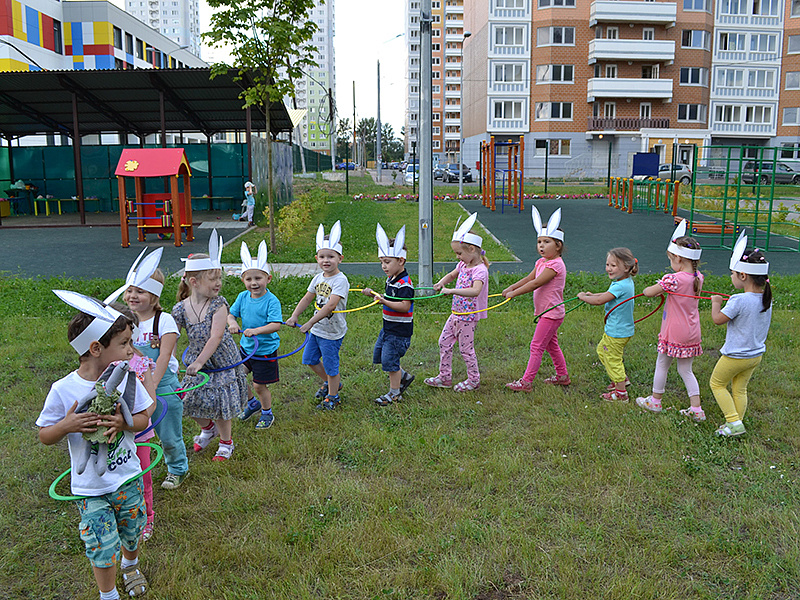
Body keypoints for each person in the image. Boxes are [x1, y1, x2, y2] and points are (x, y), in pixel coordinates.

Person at [38, 291, 155, 599]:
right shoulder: (63, 389)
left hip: (126, 477)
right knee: (100, 544)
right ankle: (108, 594)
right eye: (124, 344)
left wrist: (123, 423)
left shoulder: (129, 379)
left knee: (131, 532)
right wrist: (66, 425)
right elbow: (45, 435)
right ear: (95, 348)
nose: (131, 350)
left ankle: (131, 564)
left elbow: (144, 417)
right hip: (89, 488)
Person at [112, 249, 189, 491]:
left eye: (140, 291)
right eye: (130, 290)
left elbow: (165, 355)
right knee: (136, 433)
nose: (132, 296)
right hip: (133, 387)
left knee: (168, 433)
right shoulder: (123, 321)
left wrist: (153, 386)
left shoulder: (163, 320)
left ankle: (177, 468)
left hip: (162, 385)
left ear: (154, 296)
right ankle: (135, 469)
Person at [172, 230, 248, 461]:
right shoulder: (180, 308)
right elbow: (172, 337)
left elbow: (215, 337)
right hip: (196, 360)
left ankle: (226, 443)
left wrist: (199, 362)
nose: (219, 283)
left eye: (219, 278)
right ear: (194, 282)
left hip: (219, 359)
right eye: (213, 279)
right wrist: (171, 361)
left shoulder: (219, 304)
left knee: (221, 404)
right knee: (186, 399)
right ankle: (207, 429)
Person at [636, 220, 705, 420]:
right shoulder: (698, 277)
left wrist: (649, 289)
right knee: (685, 369)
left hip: (674, 330)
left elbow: (649, 292)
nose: (670, 264)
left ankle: (655, 400)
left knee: (662, 363)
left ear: (678, 258)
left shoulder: (673, 279)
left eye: (671, 259)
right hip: (692, 329)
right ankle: (696, 408)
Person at [709, 231, 772, 437]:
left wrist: (716, 304)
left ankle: (733, 422)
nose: (731, 276)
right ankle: (737, 422)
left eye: (732, 273)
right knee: (740, 389)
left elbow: (718, 320)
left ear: (743, 276)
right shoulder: (766, 299)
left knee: (717, 384)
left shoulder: (738, 300)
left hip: (735, 356)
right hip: (755, 356)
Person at [503, 206, 571, 391]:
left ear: (558, 245)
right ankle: (562, 375)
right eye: (539, 241)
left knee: (536, 346)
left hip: (551, 313)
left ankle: (526, 382)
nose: (541, 245)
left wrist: (514, 294)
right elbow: (528, 279)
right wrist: (512, 287)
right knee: (551, 345)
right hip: (545, 312)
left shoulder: (555, 265)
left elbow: (535, 284)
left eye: (546, 241)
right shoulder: (541, 262)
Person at [108, 303, 158, 543]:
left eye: (130, 341)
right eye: (122, 342)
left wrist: (130, 420)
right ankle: (116, 517)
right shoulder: (101, 369)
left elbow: (150, 404)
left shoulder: (140, 363)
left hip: (139, 434)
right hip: (112, 438)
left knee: (142, 477)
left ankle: (147, 517)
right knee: (116, 479)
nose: (128, 348)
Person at [286, 221, 349, 410]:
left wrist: (309, 323)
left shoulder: (341, 280)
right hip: (318, 329)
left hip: (332, 332)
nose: (326, 260)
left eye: (331, 256)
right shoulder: (318, 278)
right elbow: (307, 298)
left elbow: (330, 306)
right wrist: (295, 315)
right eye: (322, 257)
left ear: (340, 258)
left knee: (331, 366)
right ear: (316, 258)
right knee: (310, 359)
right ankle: (333, 384)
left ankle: (333, 396)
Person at [424, 212, 489, 392]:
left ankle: (473, 380)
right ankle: (444, 377)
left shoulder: (480, 270)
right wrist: (442, 282)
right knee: (444, 342)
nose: (457, 257)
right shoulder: (463, 265)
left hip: (468, 316)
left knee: (466, 350)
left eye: (459, 253)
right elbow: (453, 274)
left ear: (472, 250)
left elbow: (475, 291)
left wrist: (451, 290)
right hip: (456, 313)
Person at [228, 241, 283, 429]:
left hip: (265, 350)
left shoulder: (271, 301)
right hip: (246, 348)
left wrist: (256, 331)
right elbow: (231, 314)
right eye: (249, 279)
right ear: (242, 280)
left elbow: (276, 324)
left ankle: (267, 413)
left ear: (268, 278)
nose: (254, 283)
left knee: (259, 385)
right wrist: (233, 323)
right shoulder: (242, 297)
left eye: (258, 278)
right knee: (236, 376)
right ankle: (252, 404)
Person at [362, 223, 415, 405]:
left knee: (390, 361)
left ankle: (394, 393)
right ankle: (404, 376)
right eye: (382, 262)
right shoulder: (391, 279)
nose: (383, 266)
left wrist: (384, 301)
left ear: (401, 261)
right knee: (382, 357)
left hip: (399, 333)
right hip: (388, 329)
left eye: (387, 262)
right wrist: (374, 294)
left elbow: (404, 306)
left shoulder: (405, 284)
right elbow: (387, 296)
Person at [577, 247, 638, 402]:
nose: (608, 269)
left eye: (613, 265)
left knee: (612, 359)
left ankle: (620, 393)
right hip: (620, 329)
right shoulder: (624, 282)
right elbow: (606, 296)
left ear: (626, 267)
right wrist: (592, 294)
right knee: (602, 351)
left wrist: (584, 298)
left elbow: (599, 301)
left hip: (616, 331)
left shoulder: (619, 285)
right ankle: (621, 379)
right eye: (608, 264)